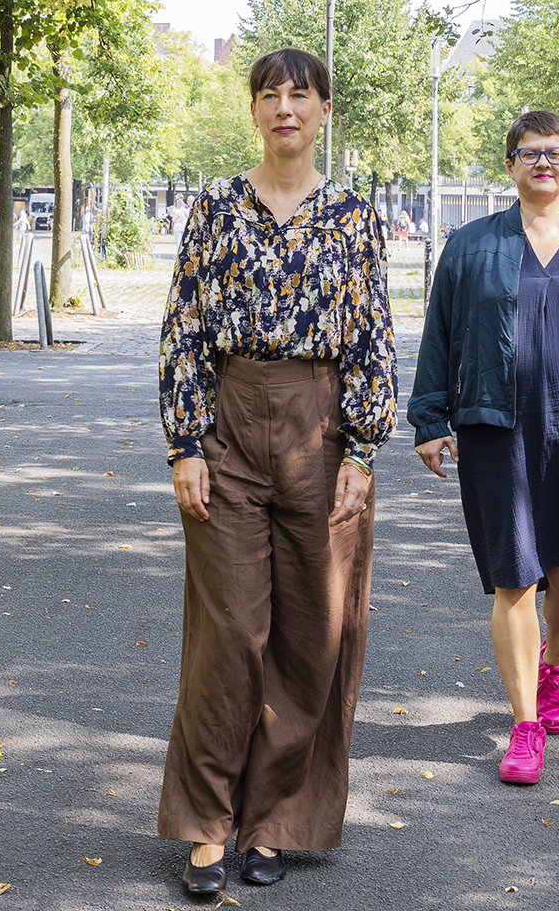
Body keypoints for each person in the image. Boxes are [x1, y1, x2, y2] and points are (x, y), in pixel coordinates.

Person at [158, 48, 396, 896]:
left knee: (312, 634)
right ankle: (207, 826)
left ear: (325, 110)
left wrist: (362, 450)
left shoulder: (354, 217)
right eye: (269, 94)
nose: (285, 107)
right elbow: (185, 325)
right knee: (227, 636)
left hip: (320, 428)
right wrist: (186, 443)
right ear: (254, 110)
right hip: (228, 419)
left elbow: (372, 333)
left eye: (300, 94)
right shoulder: (216, 207)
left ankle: (275, 822)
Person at [408, 109, 559, 786]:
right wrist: (430, 418)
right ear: (511, 164)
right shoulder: (471, 246)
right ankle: (524, 726)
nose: (543, 161)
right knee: (515, 576)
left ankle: (554, 662)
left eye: (555, 152)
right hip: (495, 430)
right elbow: (440, 333)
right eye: (530, 152)